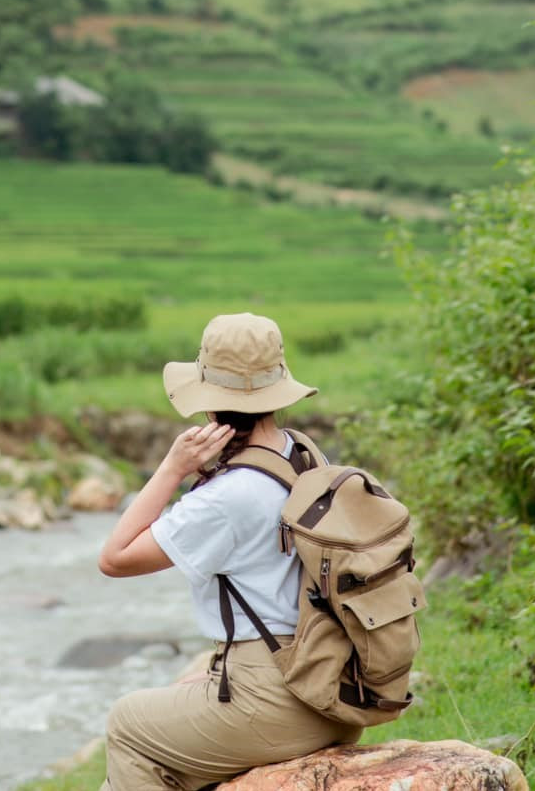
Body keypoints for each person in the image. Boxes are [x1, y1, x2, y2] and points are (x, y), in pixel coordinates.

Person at [96, 313, 362, 790]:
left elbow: (114, 558)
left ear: (209, 403)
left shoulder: (226, 497)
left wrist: (172, 468)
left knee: (128, 724)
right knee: (175, 712)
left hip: (277, 700)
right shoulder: (303, 455)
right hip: (334, 688)